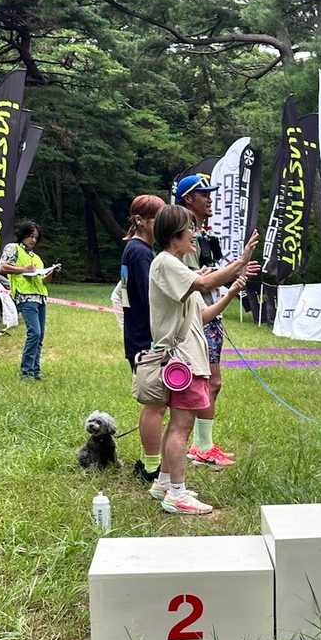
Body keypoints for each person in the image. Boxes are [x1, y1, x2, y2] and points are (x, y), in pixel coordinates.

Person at [145, 204, 257, 516]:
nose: (194, 235)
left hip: (188, 359)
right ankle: (177, 495)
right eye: (189, 229)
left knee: (177, 425)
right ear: (175, 235)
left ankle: (164, 484)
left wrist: (231, 291)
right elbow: (206, 284)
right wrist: (240, 262)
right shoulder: (166, 263)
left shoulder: (178, 269)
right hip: (183, 362)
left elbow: (203, 315)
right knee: (181, 427)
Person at [175, 173, 260, 468]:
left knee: (212, 382)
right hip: (198, 317)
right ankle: (201, 447)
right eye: (204, 194)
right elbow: (196, 280)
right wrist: (236, 266)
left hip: (212, 313)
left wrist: (237, 271)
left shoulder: (205, 234)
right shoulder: (184, 236)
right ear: (188, 199)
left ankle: (203, 445)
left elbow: (213, 274)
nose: (210, 199)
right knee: (209, 382)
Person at [120, 194, 167, 484]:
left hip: (137, 335)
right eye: (157, 220)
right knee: (155, 404)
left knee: (155, 403)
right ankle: (151, 467)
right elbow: (153, 298)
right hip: (145, 339)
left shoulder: (136, 249)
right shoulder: (140, 253)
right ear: (140, 220)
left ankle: (149, 460)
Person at [0, 221, 59, 380]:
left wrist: (52, 273)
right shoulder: (13, 248)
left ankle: (35, 370)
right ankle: (26, 371)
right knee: (35, 333)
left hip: (40, 297)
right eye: (30, 236)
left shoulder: (36, 258)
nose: (33, 240)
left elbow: (43, 280)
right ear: (23, 235)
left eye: (36, 238)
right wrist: (23, 270)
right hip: (25, 296)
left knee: (40, 336)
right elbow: (3, 267)